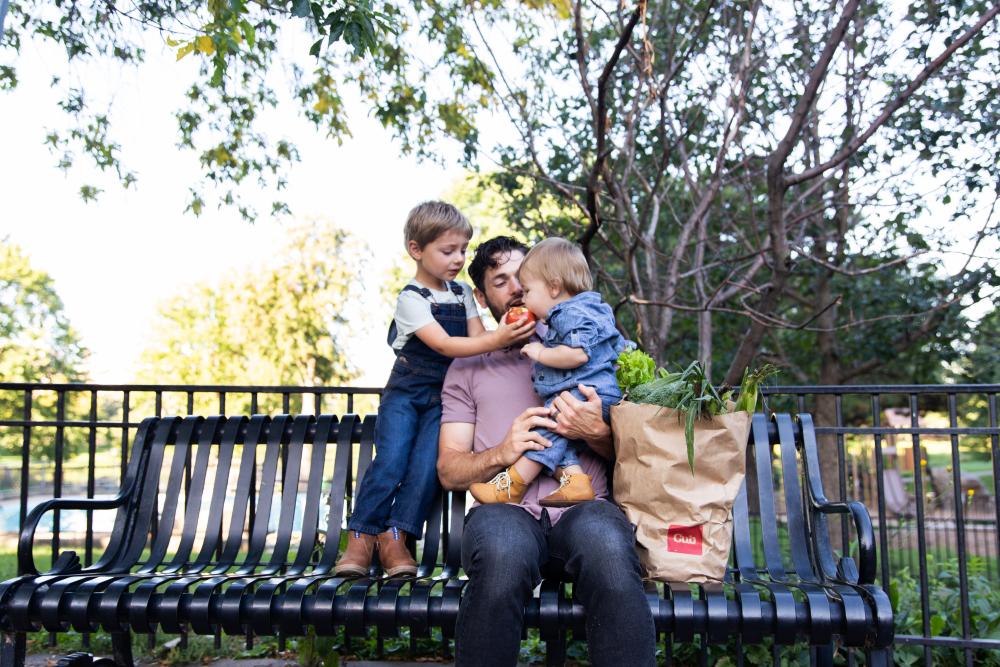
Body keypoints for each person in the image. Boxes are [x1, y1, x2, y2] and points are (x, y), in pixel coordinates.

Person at [437, 236, 656, 667]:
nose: (517, 288)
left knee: (611, 555)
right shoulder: (466, 368)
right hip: (506, 511)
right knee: (500, 559)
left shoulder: (586, 347)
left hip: (585, 506)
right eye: (503, 281)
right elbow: (449, 470)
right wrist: (503, 451)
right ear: (482, 298)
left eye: (524, 276)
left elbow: (642, 454)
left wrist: (597, 432)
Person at [335, 203, 535, 577]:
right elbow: (446, 345)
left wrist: (507, 333)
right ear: (416, 250)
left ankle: (397, 536)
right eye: (448, 251)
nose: (458, 259)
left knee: (427, 467)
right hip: (407, 395)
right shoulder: (411, 299)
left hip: (443, 396)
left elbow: (479, 338)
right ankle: (361, 535)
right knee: (392, 459)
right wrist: (501, 337)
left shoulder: (461, 293)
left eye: (462, 249)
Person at [469, 237, 626, 507]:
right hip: (585, 392)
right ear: (481, 296)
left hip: (587, 393)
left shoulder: (568, 315)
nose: (521, 293)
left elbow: (579, 353)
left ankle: (513, 484)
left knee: (546, 427)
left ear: (554, 287)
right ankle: (575, 480)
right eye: (501, 282)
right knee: (558, 432)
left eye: (527, 289)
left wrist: (541, 352)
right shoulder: (590, 310)